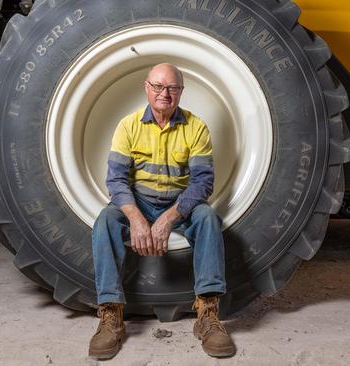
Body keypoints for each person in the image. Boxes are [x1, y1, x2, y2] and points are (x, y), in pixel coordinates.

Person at [89, 63, 236, 359]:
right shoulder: (128, 126)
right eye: (158, 86)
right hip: (138, 200)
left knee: (207, 218)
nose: (164, 94)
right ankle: (111, 315)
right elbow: (116, 180)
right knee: (106, 220)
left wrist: (171, 217)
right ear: (147, 88)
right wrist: (137, 219)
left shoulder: (196, 127)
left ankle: (207, 315)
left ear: (181, 91)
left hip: (179, 202)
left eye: (171, 88)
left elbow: (202, 182)